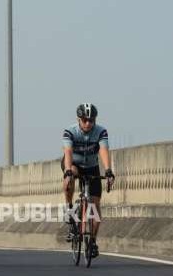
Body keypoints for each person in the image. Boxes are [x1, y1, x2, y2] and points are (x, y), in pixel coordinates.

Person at [62, 103, 115, 258]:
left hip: (91, 166)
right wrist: (67, 171)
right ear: (79, 119)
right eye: (85, 120)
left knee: (95, 206)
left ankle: (92, 241)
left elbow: (104, 150)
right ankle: (69, 208)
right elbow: (68, 151)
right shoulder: (70, 132)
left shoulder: (100, 131)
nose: (88, 124)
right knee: (71, 174)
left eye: (91, 120)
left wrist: (108, 170)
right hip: (74, 163)